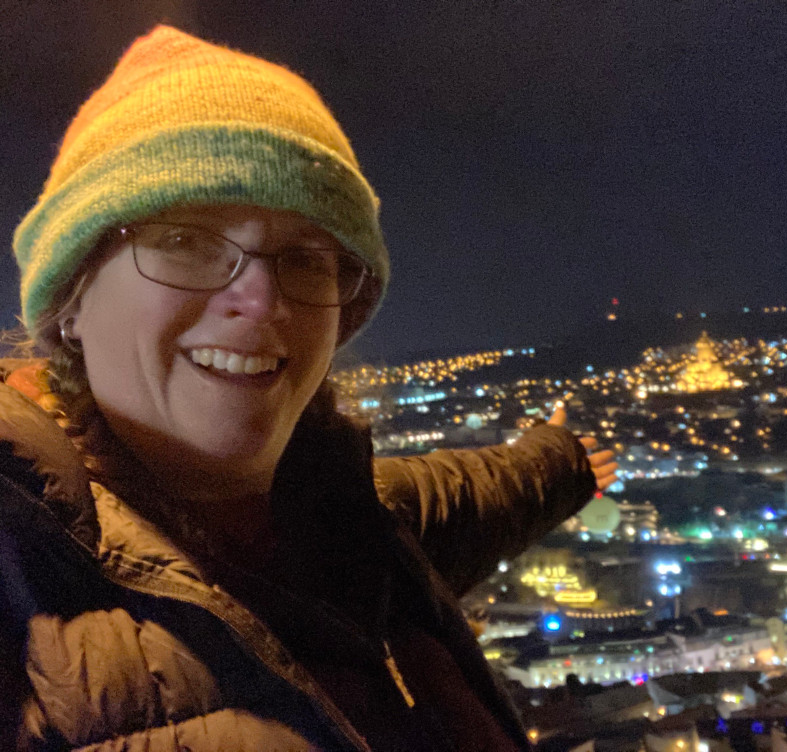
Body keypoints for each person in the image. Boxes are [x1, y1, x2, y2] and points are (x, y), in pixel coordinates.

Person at [0, 26, 617, 752]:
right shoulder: (20, 567)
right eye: (184, 241)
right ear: (71, 297)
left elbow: (463, 495)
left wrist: (561, 458)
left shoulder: (347, 527)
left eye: (303, 256)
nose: (261, 301)